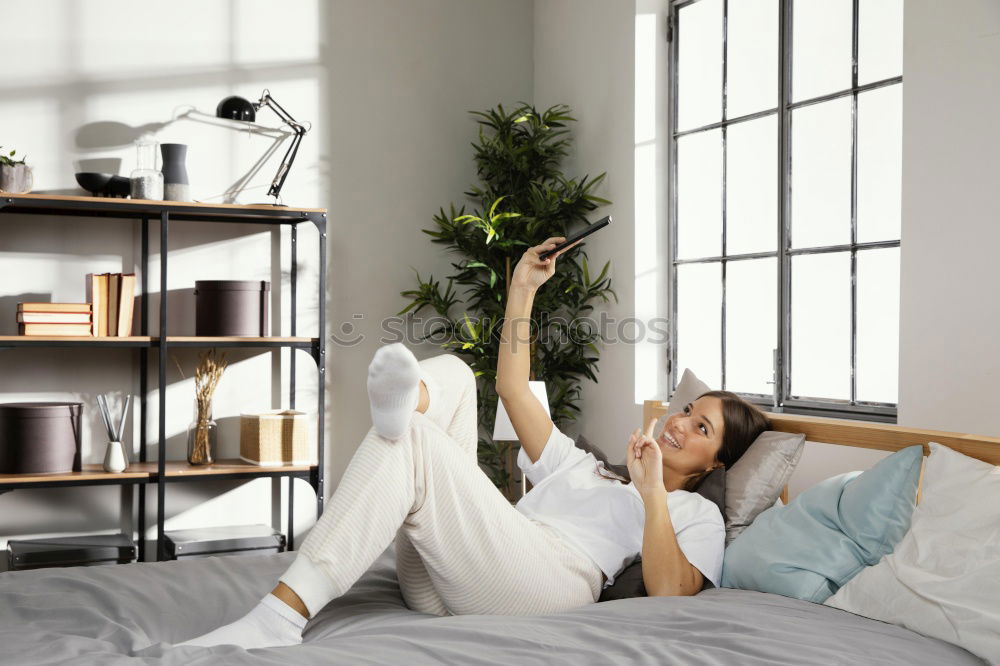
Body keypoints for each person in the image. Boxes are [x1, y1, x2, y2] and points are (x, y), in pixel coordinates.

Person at [177, 237, 770, 650]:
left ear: (716, 461)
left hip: (551, 582)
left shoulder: (698, 514)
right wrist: (522, 290)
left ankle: (279, 617)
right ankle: (404, 407)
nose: (680, 422)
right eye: (688, 409)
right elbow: (512, 387)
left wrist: (653, 495)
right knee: (459, 378)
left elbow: (671, 592)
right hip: (460, 577)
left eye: (701, 428)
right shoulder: (585, 468)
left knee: (412, 441)